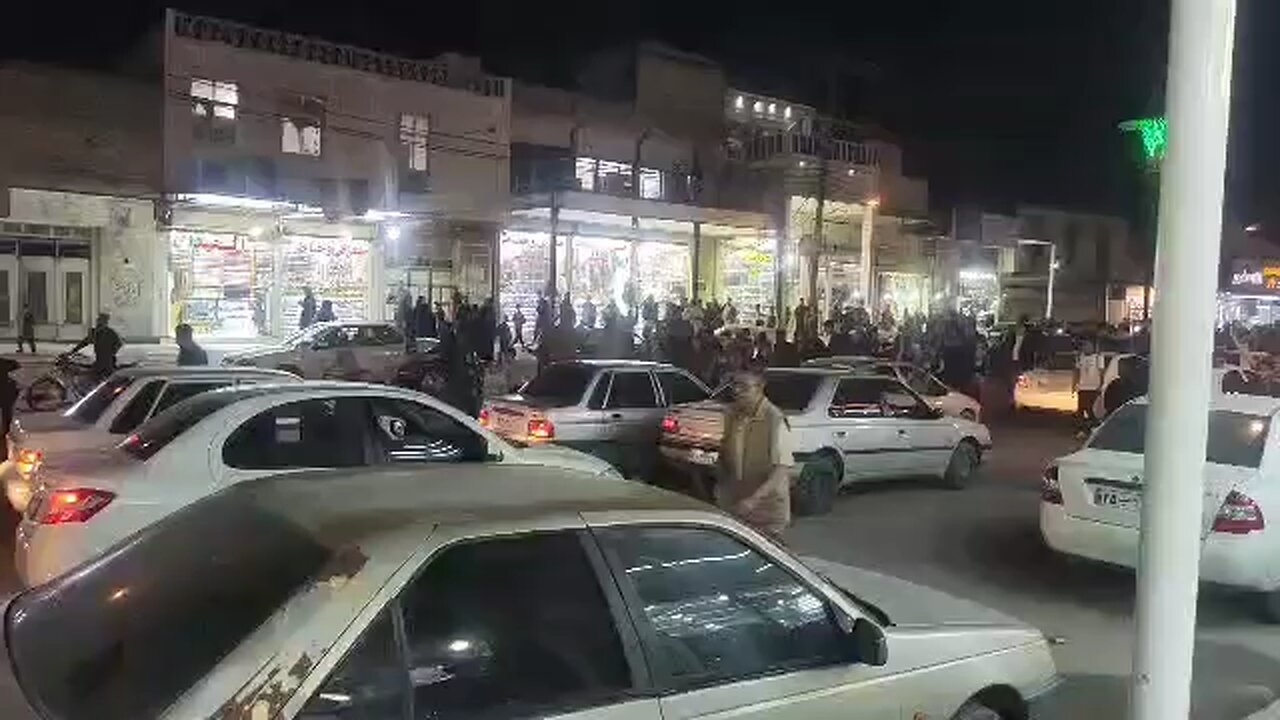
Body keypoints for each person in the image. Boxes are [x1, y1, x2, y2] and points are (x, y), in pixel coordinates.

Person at [714, 370, 795, 541]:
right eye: (734, 385)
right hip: (736, 505)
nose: (737, 391)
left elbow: (781, 469)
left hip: (767, 511)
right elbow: (725, 454)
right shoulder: (732, 415)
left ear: (760, 388)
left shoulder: (775, 420)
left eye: (744, 387)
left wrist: (753, 500)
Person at [70, 313, 122, 382]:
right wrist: (74, 351)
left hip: (107, 361)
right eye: (99, 320)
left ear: (106, 322)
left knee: (103, 377)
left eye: (102, 320)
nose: (99, 322)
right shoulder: (95, 332)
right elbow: (85, 342)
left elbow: (119, 343)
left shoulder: (111, 332)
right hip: (99, 359)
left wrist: (113, 351)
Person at [1073, 338, 1105, 434]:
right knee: (1081, 409)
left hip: (1094, 387)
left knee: (1092, 409)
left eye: (1088, 346)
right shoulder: (1080, 357)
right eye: (1084, 346)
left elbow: (1102, 372)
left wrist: (1101, 385)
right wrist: (1075, 384)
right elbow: (1077, 372)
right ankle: (1081, 429)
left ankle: (1094, 425)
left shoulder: (1098, 357)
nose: (1086, 348)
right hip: (1083, 387)